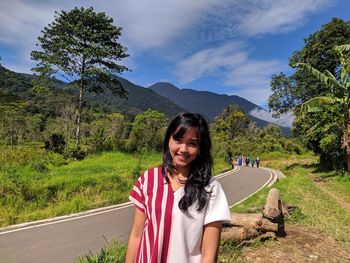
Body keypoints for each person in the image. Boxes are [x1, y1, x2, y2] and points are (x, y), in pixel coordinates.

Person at [125, 113, 232, 263]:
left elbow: (209, 254)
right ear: (168, 140)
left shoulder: (210, 189)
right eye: (178, 140)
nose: (183, 149)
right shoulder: (148, 179)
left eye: (192, 143)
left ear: (201, 148)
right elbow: (136, 236)